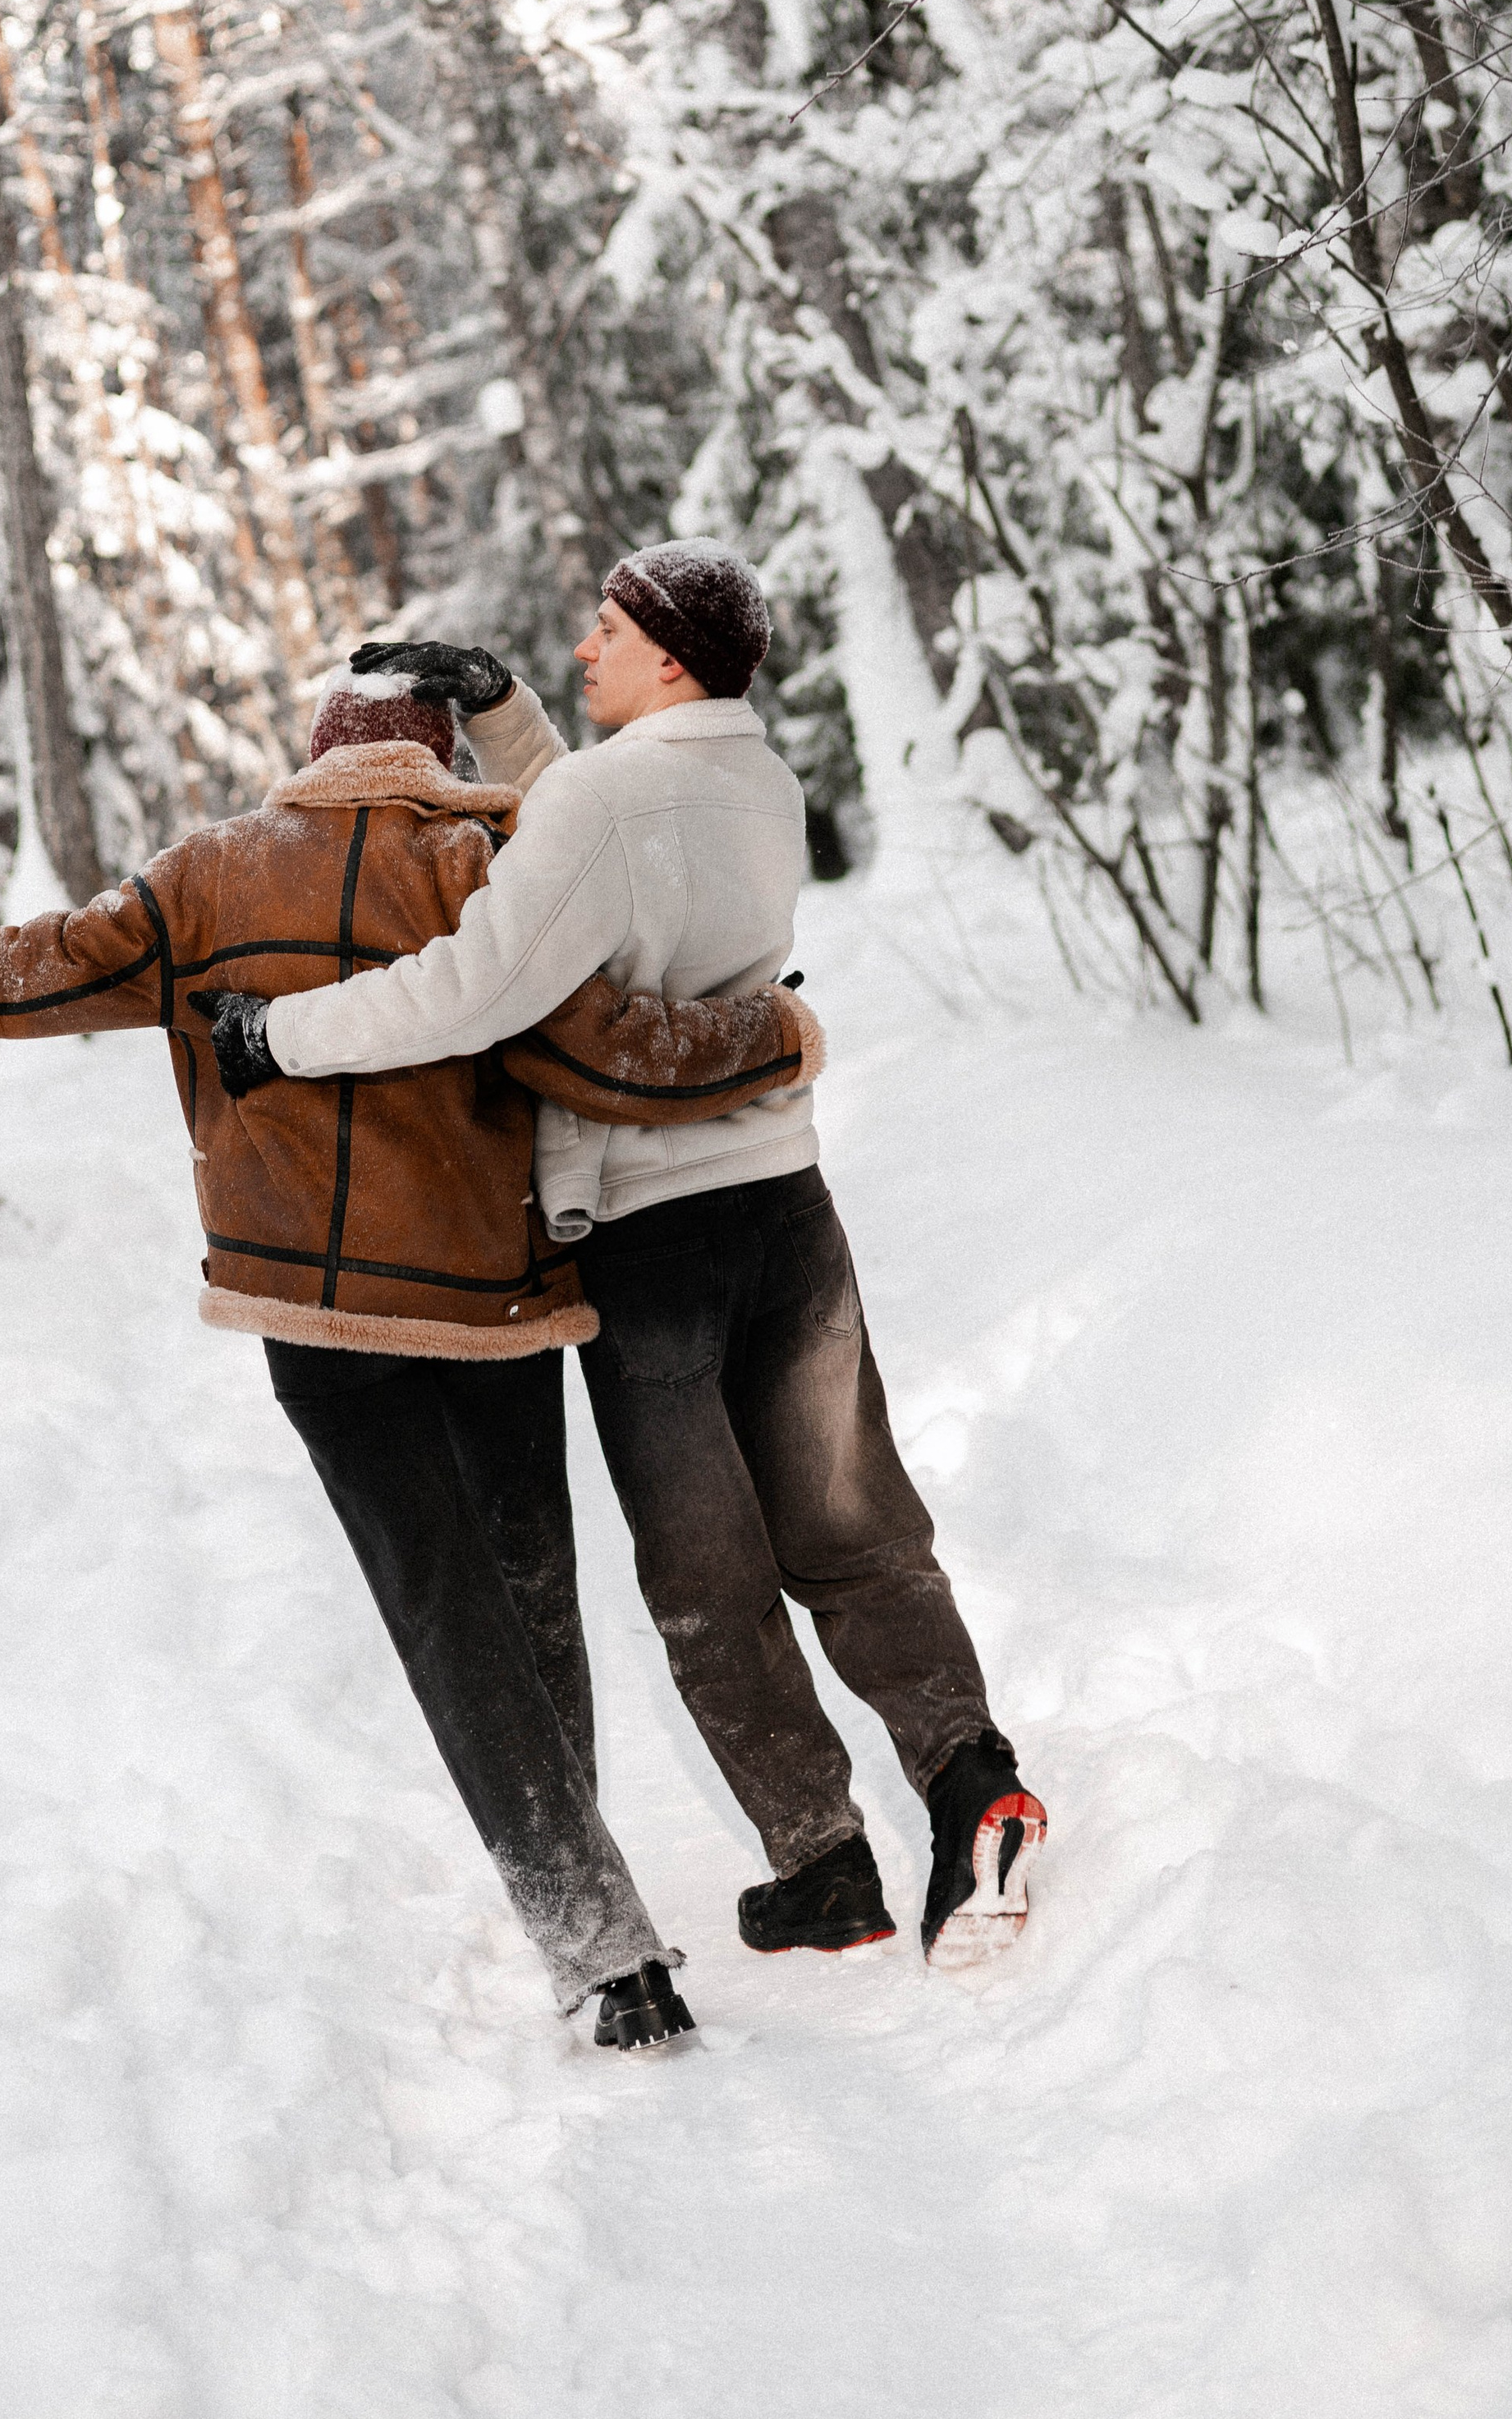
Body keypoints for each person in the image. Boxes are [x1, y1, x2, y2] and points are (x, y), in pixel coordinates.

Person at [0, 663, 822, 2046]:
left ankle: (598, 1940)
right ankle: (590, 1888)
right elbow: (604, 1054)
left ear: (315, 750)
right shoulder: (488, 864)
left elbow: (39, 970)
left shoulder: (209, 873)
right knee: (529, 1592)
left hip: (317, 1324)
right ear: (439, 751)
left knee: (446, 1617)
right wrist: (774, 1036)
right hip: (488, 1301)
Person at [212, 550, 1047, 1967]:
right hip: (786, 1202)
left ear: (668, 658)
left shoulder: (601, 799)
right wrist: (512, 710)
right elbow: (610, 847)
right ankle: (972, 1781)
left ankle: (824, 1863)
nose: (583, 646)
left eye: (605, 632)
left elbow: (476, 980)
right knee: (854, 1528)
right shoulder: (759, 783)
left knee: (706, 1576)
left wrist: (276, 1039)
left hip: (650, 1241)